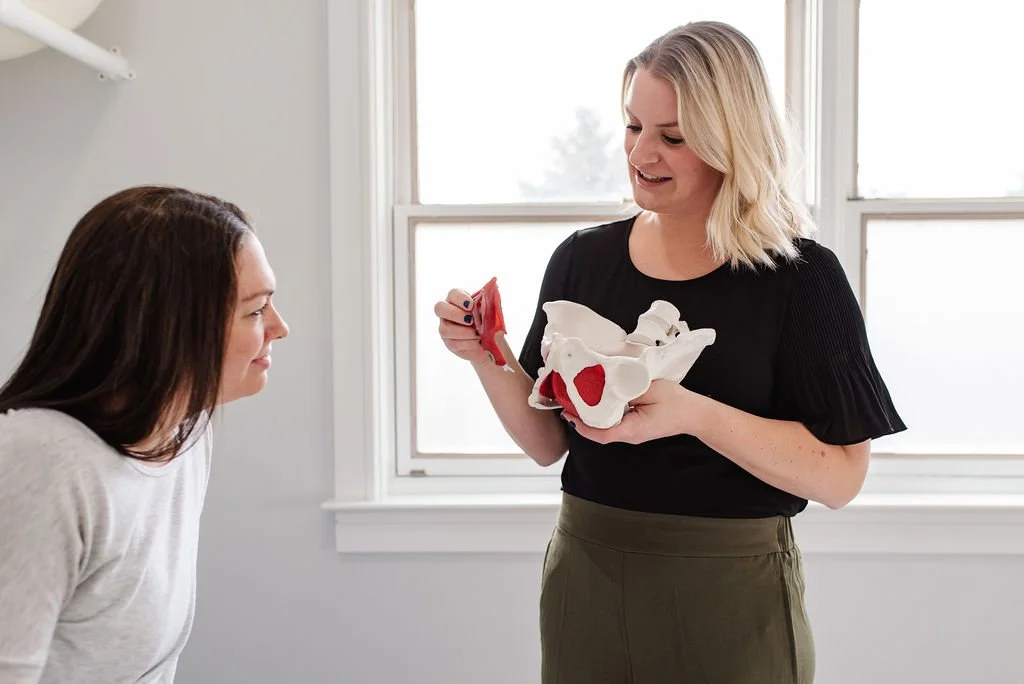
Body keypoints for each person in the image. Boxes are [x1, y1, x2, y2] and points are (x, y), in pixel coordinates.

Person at [434, 20, 905, 684]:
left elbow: (840, 478)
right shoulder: (581, 259)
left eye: (672, 137)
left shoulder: (800, 279)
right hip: (587, 572)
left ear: (730, 141)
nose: (641, 154)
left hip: (730, 590)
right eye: (633, 127)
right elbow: (548, 442)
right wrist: (485, 352)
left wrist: (692, 413)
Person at [0, 186, 289, 683]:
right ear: (171, 324)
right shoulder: (42, 460)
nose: (280, 329)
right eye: (255, 310)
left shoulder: (183, 432)